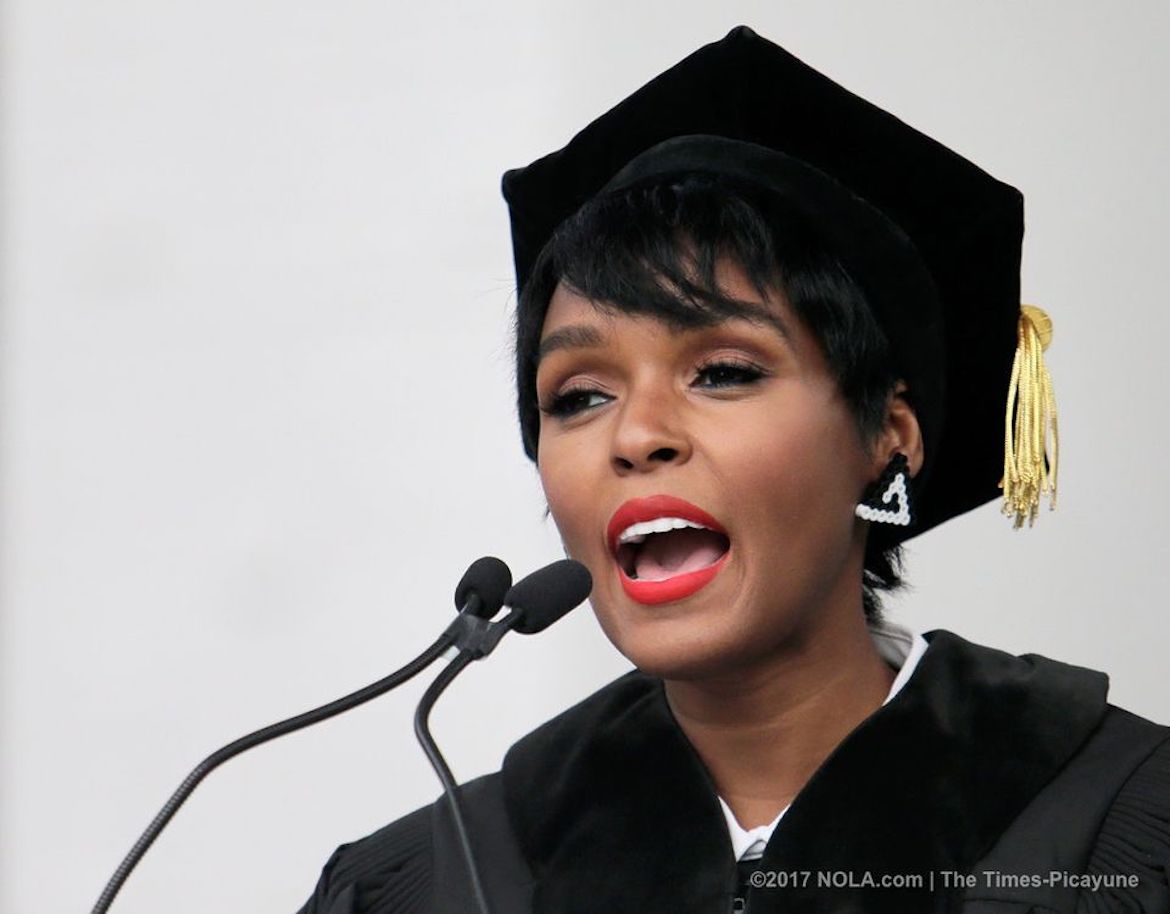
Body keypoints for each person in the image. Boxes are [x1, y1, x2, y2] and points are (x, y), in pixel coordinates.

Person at [298, 26, 1169, 914]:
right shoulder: (436, 881)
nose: (636, 434)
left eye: (723, 373)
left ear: (889, 435)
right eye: (579, 396)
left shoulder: (1120, 828)